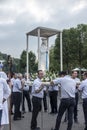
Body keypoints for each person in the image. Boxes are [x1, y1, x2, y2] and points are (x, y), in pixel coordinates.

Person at [0, 63, 11, 130]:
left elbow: (8, 91)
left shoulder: (2, 80)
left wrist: (3, 99)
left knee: (1, 121)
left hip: (0, 105)